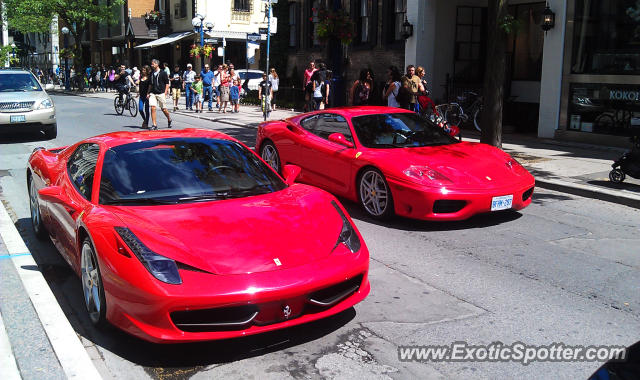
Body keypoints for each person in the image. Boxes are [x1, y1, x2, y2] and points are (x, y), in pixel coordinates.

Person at [148, 59, 172, 129]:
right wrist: (148, 92)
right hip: (153, 93)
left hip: (161, 93)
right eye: (151, 64)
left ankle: (169, 118)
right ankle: (154, 125)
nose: (151, 65)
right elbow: (150, 84)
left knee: (164, 109)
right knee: (152, 107)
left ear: (157, 64)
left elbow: (167, 83)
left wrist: (165, 92)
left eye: (153, 64)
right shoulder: (152, 73)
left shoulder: (163, 73)